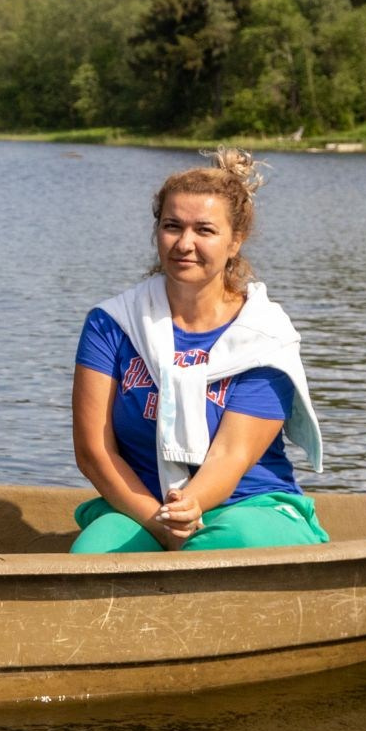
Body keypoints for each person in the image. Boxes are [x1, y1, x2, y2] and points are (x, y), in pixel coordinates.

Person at [69, 148, 326, 554]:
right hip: (140, 508)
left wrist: (189, 510)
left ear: (235, 241)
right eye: (172, 226)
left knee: (220, 546)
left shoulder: (264, 337)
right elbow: (94, 451)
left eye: (204, 230)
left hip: (249, 504)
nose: (184, 243)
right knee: (94, 555)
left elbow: (231, 454)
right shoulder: (112, 323)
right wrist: (160, 522)